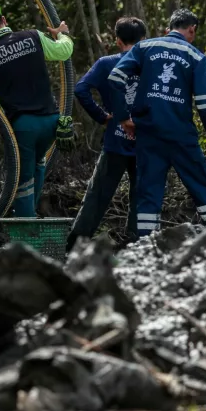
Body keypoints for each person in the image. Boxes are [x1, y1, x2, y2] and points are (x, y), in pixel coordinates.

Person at [107, 9, 206, 241]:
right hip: (181, 136)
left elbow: (115, 78)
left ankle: (146, 248)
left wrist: (123, 117)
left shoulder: (144, 48)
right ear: (192, 29)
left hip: (149, 134)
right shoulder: (196, 57)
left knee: (148, 194)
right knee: (204, 188)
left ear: (169, 27)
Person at [0, 0, 73, 217]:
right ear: (4, 19)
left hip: (22, 126)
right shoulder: (33, 36)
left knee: (23, 179)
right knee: (38, 165)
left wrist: (3, 126)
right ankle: (32, 218)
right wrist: (62, 33)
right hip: (51, 121)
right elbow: (64, 52)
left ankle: (25, 232)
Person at [67, 17, 147, 251]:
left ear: (117, 40)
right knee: (140, 197)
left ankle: (75, 246)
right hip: (145, 142)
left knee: (98, 195)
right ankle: (137, 246)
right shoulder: (150, 64)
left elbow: (81, 89)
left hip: (115, 141)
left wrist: (102, 116)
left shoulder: (106, 63)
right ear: (143, 39)